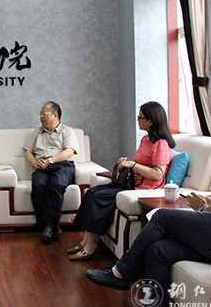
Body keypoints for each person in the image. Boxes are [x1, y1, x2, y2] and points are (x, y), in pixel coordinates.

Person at [85, 110, 211, 307]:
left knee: (163, 217)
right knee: (159, 250)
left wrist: (202, 209)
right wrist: (206, 208)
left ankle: (122, 272)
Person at [69, 101, 175, 260]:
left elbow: (157, 174)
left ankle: (91, 246)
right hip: (132, 182)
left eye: (140, 117)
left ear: (151, 121)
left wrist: (132, 165)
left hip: (144, 188)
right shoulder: (146, 139)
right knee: (91, 193)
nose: (137, 120)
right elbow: (142, 163)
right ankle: (85, 240)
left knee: (100, 198)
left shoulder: (161, 145)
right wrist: (126, 162)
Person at [24, 101, 79, 243]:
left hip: (62, 165)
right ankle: (54, 226)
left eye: (44, 113)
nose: (41, 116)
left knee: (56, 184)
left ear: (55, 115)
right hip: (42, 167)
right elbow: (28, 151)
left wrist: (50, 161)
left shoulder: (67, 131)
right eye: (40, 114)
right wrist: (35, 163)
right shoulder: (37, 132)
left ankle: (49, 226)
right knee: (38, 185)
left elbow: (69, 152)